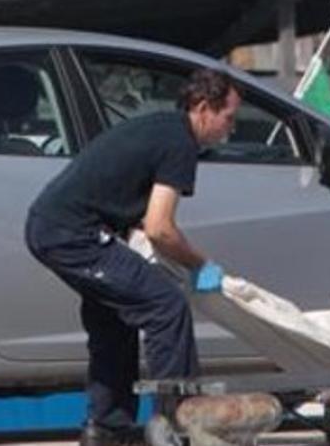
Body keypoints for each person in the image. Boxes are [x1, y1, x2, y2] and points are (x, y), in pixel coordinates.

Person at [25, 69, 240, 446]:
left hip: (52, 225)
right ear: (204, 108)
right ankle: (180, 422)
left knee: (114, 318)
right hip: (73, 234)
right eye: (229, 118)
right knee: (166, 306)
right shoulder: (180, 144)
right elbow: (160, 228)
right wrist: (200, 264)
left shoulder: (162, 128)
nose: (231, 129)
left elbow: (142, 217)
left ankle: (106, 428)